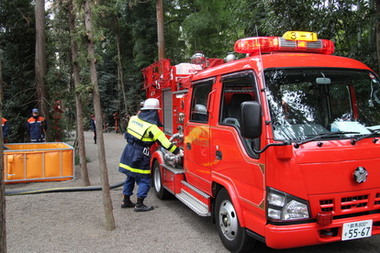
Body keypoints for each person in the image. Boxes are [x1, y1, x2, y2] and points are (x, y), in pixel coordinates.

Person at [118, 98, 183, 212]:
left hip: (128, 150)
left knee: (130, 176)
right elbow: (165, 143)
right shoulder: (152, 128)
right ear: (154, 112)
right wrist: (178, 151)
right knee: (144, 179)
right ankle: (139, 204)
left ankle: (126, 200)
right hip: (140, 154)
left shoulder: (133, 119)